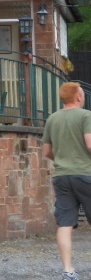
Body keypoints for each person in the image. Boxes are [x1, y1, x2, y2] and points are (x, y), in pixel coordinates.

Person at [42, 81, 91, 280]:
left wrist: (62, 161)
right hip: (86, 174)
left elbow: (47, 151)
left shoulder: (52, 119)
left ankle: (68, 271)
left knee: (65, 223)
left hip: (62, 177)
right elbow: (90, 144)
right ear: (79, 97)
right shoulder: (86, 115)